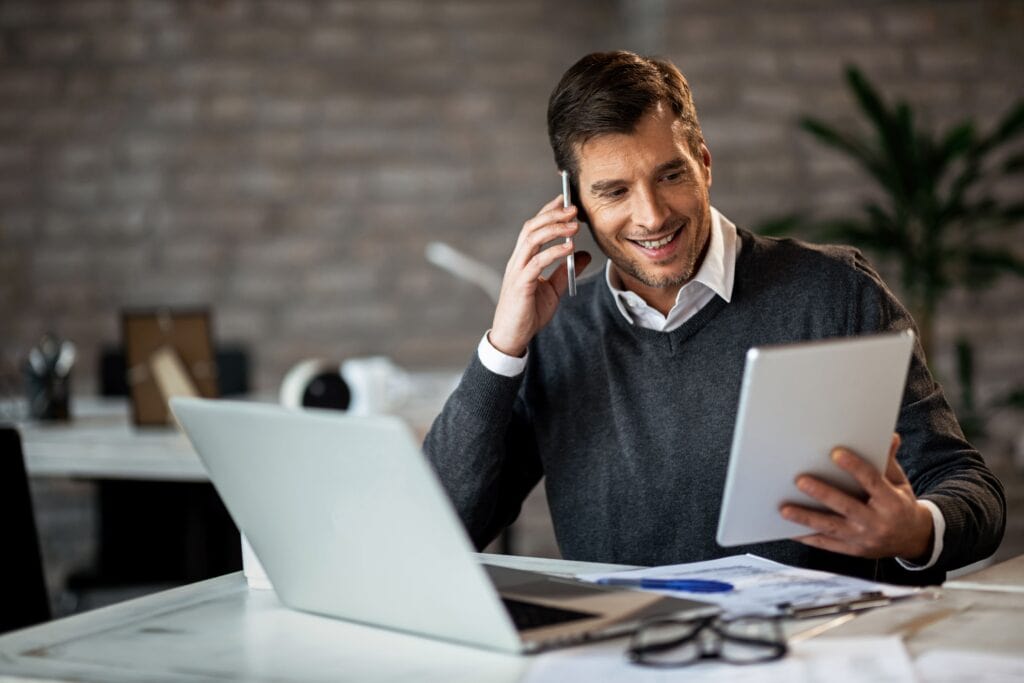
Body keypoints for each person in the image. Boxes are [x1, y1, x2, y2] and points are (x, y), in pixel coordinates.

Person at [424, 51, 1005, 584]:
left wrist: (917, 530)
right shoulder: (557, 333)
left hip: (816, 657)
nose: (650, 216)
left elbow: (971, 490)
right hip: (625, 660)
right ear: (573, 204)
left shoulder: (834, 293)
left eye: (669, 175)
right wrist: (504, 345)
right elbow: (439, 528)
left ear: (704, 163)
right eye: (614, 191)